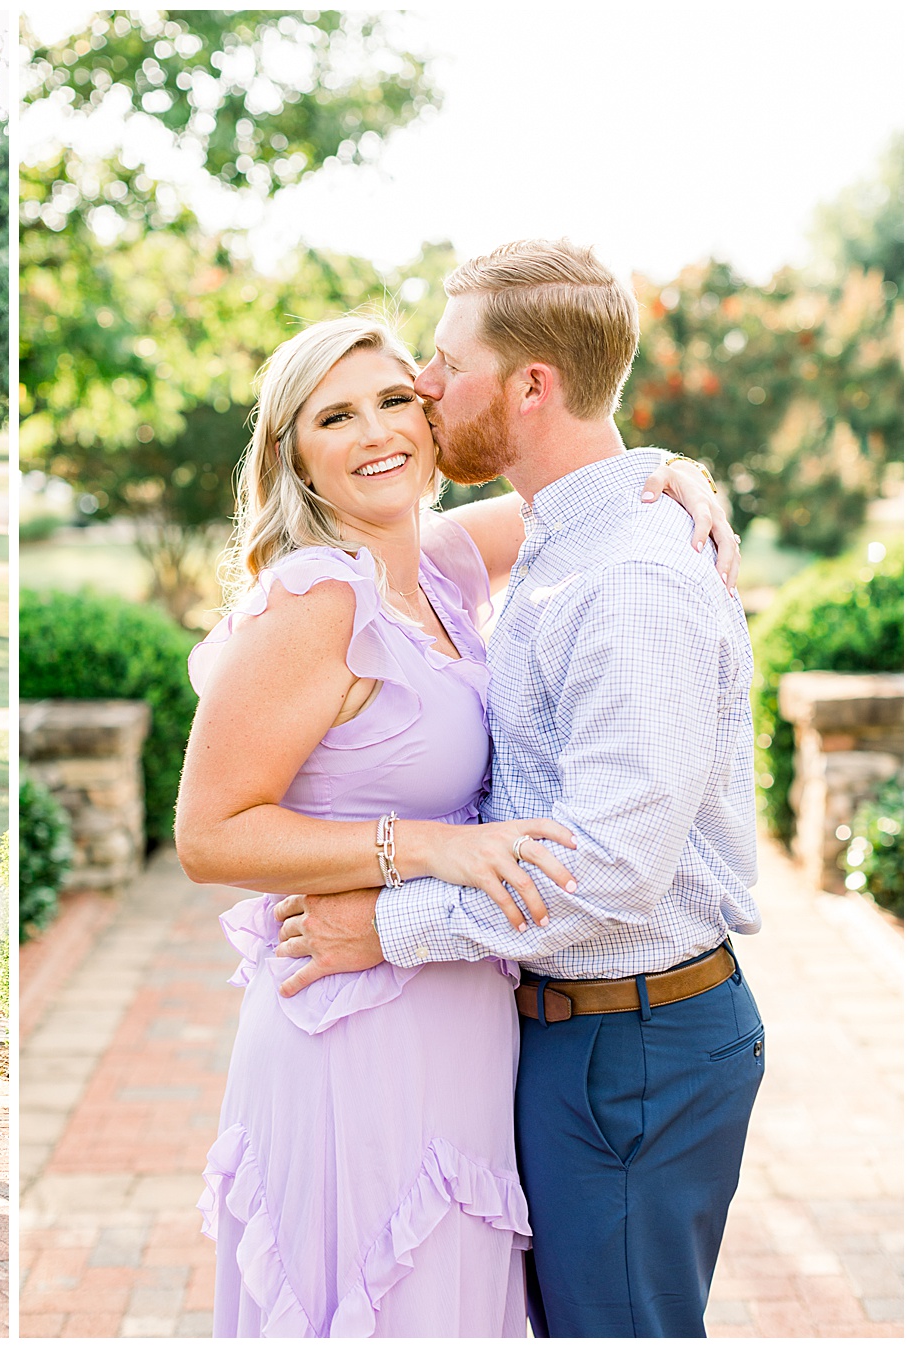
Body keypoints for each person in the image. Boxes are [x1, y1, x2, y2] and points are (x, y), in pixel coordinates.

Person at [175, 300, 741, 1331]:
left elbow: (585, 488)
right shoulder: (315, 600)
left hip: (468, 1015)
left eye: (396, 398)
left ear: (432, 417)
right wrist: (428, 847)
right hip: (351, 1020)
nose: (377, 431)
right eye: (335, 417)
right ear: (293, 455)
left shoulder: (436, 564)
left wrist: (678, 473)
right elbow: (209, 836)